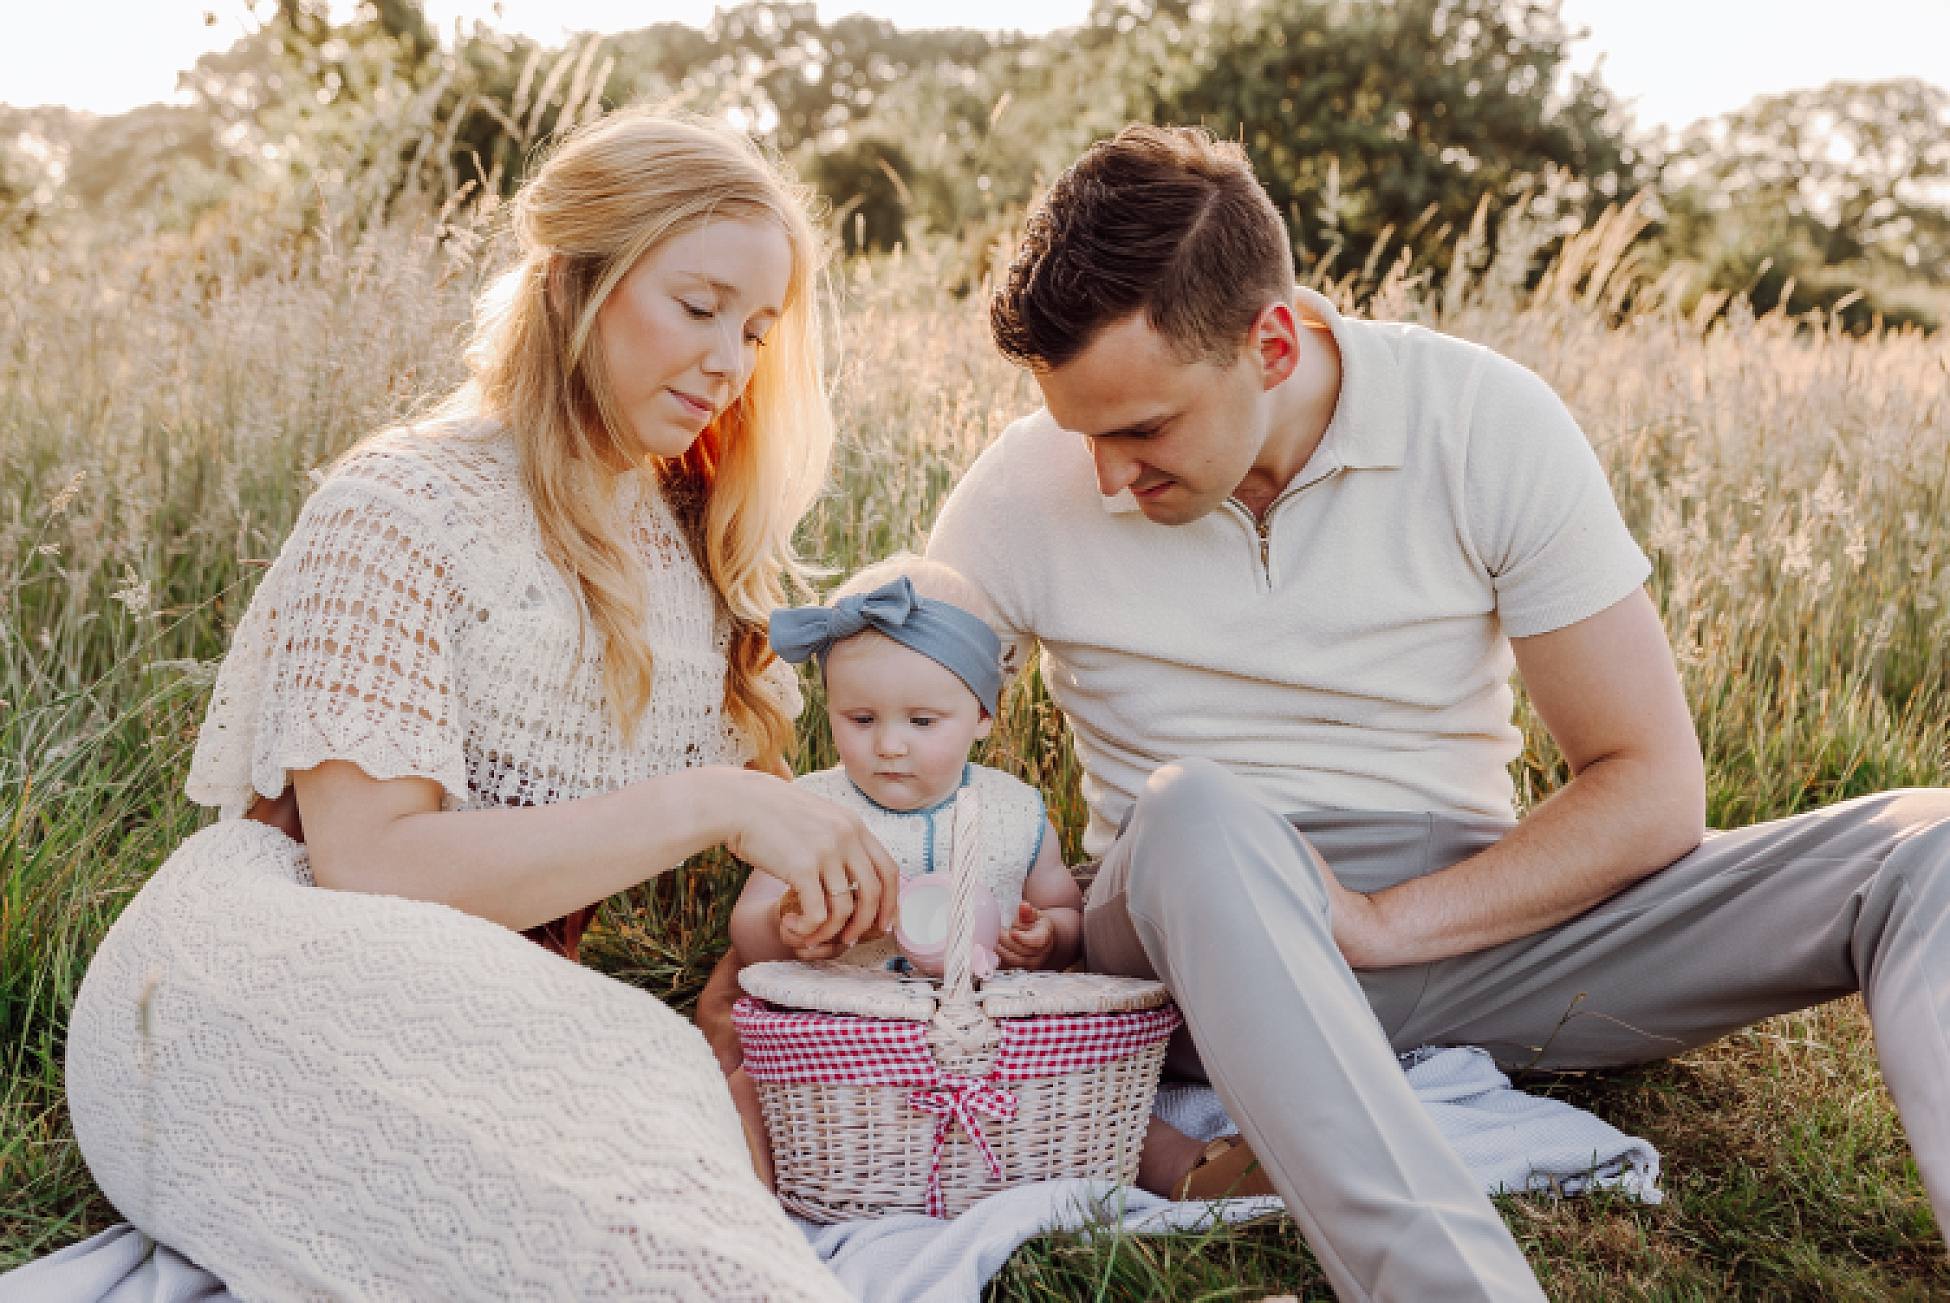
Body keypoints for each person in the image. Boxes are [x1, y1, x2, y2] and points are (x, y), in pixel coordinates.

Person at [923, 123, 1950, 1301]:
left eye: (1143, 428)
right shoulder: (1018, 489)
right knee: (1194, 810)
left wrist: (1384, 923)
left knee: (1929, 846)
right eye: (1082, 433)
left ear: (1271, 342)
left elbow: (1649, 781)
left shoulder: (1483, 420)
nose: (1105, 475)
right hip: (1189, 940)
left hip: (1475, 927)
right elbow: (894, 741)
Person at [61, 109, 901, 1300]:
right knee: (633, 1084)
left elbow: (664, 856)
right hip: (259, 975)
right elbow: (368, 865)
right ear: (573, 287)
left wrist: (784, 929)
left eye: (759, 330)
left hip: (505, 1001)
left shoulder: (681, 541)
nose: (730, 361)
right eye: (700, 306)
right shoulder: (400, 505)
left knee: (654, 1100)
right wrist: (711, 801)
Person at [719, 557, 1082, 1184]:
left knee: (1068, 1093)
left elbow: (1066, 913)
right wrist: (786, 926)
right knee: (750, 1089)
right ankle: (762, 1198)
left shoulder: (1014, 810)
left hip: (978, 1043)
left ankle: (1146, 1171)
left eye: (922, 722)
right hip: (835, 1035)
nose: (889, 745)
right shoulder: (811, 809)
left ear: (983, 715)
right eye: (861, 720)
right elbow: (748, 929)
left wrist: (1045, 937)